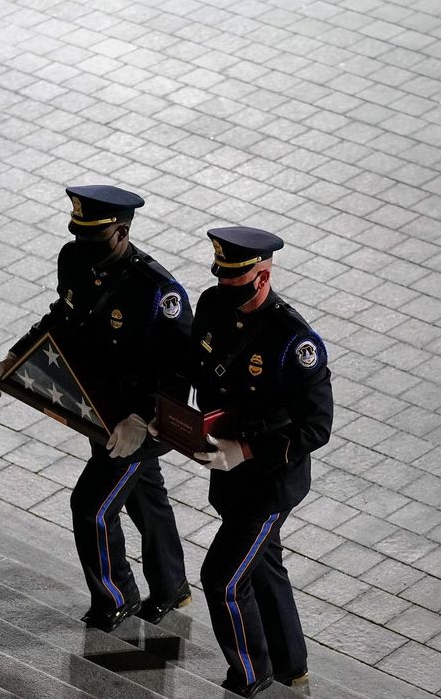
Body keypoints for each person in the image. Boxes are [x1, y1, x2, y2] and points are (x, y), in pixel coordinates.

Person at [0, 185, 193, 632]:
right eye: (79, 235)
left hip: (139, 424)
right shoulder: (74, 258)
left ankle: (115, 598)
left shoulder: (159, 292)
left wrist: (140, 420)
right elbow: (63, 315)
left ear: (121, 233)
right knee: (145, 500)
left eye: (94, 238)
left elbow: (178, 373)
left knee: (91, 506)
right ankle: (172, 585)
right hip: (99, 411)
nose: (84, 247)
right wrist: (16, 356)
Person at [168, 227, 333, 697]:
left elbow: (315, 428)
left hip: (269, 483)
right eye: (222, 280)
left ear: (262, 279)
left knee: (222, 579)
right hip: (227, 473)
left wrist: (247, 449)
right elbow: (193, 368)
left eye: (237, 285)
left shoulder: (295, 343)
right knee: (262, 564)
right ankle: (290, 665)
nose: (226, 292)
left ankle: (250, 674)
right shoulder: (214, 303)